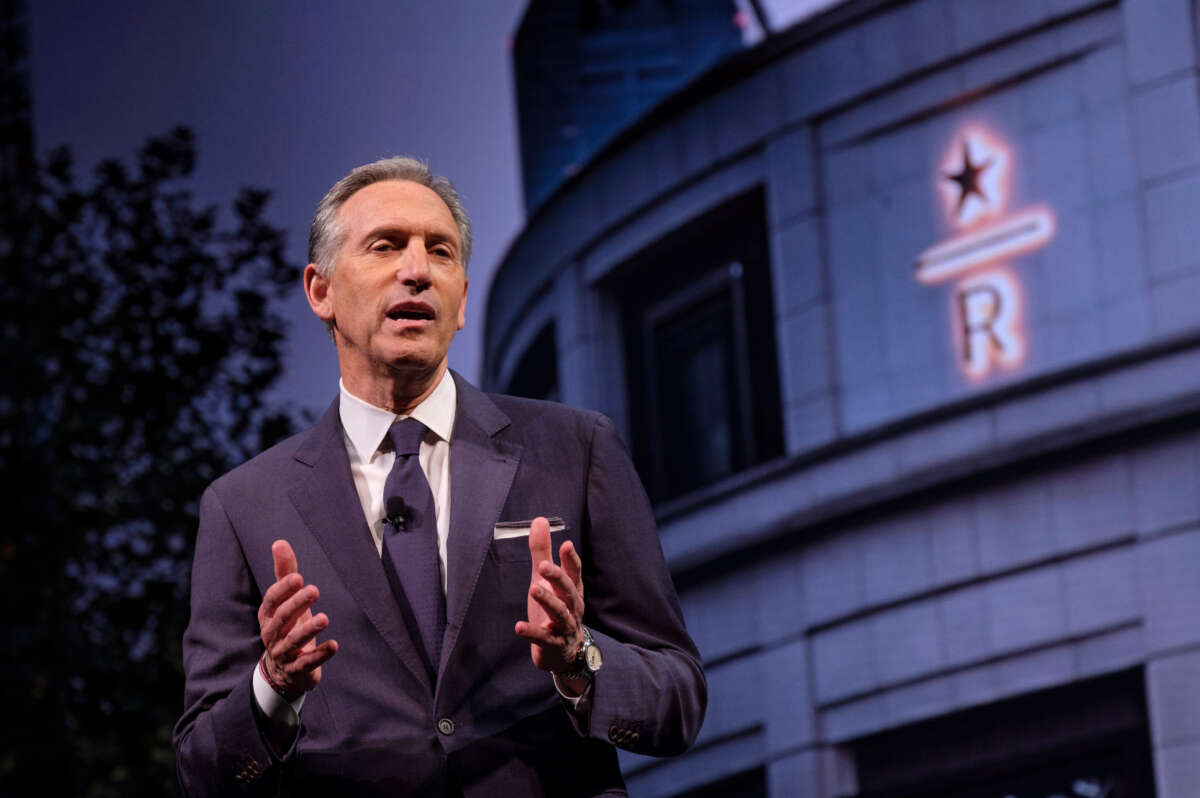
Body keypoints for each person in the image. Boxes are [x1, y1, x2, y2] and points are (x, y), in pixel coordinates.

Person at [172, 157, 706, 797]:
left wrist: (579, 660)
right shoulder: (243, 506)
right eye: (386, 246)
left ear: (460, 303)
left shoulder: (575, 447)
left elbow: (678, 701)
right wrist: (273, 686)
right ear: (321, 292)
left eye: (441, 252)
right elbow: (203, 771)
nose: (418, 271)